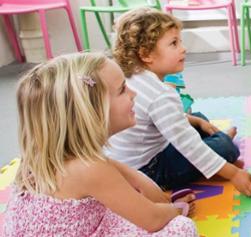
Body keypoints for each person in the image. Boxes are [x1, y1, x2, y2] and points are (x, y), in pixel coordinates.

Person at [4, 53, 198, 236]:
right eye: (122, 89)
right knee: (182, 227)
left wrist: (116, 167)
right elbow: (154, 218)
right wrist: (174, 211)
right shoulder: (90, 169)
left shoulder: (41, 158)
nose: (134, 93)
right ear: (92, 113)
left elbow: (151, 196)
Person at [107, 8, 251, 196]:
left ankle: (212, 139)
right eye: (174, 43)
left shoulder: (132, 78)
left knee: (198, 118)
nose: (183, 48)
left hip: (129, 163)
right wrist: (234, 173)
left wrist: (194, 121)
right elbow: (189, 146)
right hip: (149, 171)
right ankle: (221, 142)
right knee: (226, 148)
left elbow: (158, 118)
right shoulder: (160, 95)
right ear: (146, 54)